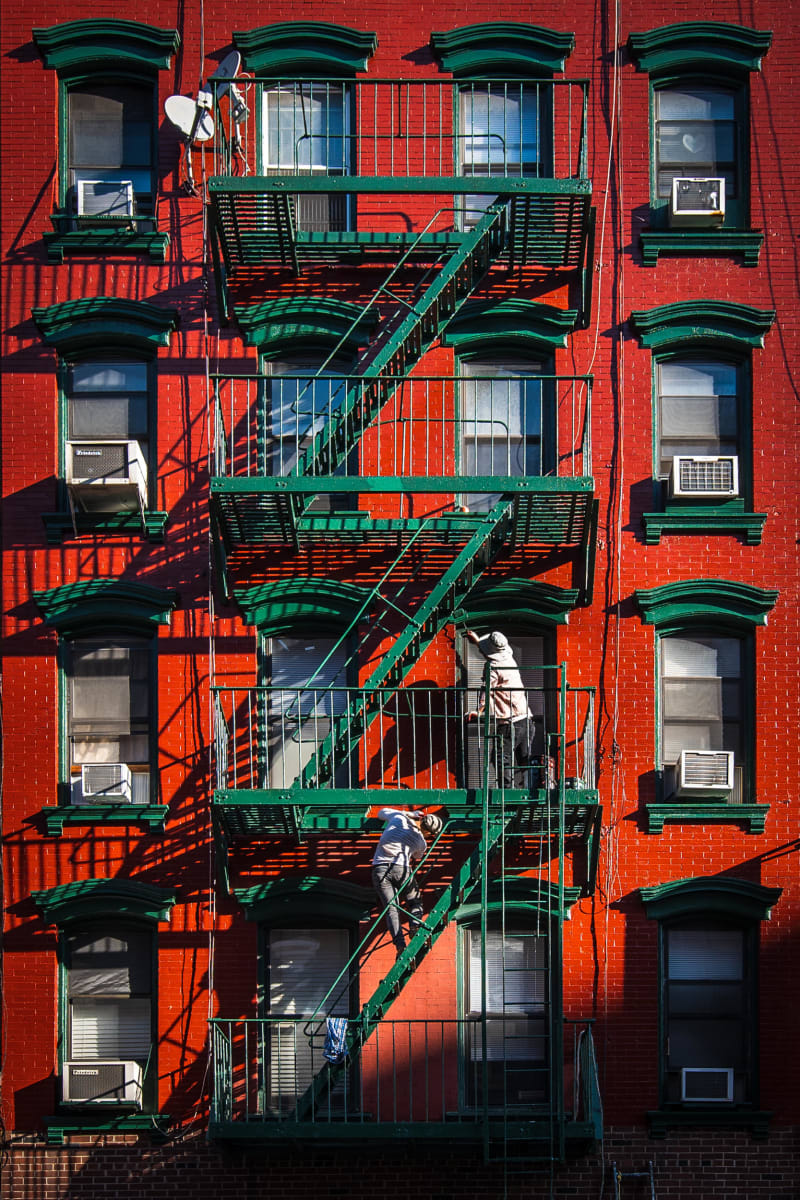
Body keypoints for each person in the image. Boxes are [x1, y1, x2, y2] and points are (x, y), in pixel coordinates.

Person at [465, 629, 534, 787]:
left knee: (501, 758)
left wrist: (479, 710)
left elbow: (486, 690)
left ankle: (506, 792)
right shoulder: (509, 658)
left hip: (510, 723)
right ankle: (528, 790)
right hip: (527, 720)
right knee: (525, 759)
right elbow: (492, 654)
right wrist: (477, 641)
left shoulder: (493, 667)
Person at [372, 808, 442, 958]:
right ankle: (414, 926)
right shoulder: (421, 841)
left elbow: (381, 812)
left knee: (391, 909)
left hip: (379, 868)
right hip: (400, 868)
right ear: (429, 832)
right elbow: (417, 855)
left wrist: (407, 814)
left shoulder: (398, 818)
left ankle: (400, 946)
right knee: (415, 901)